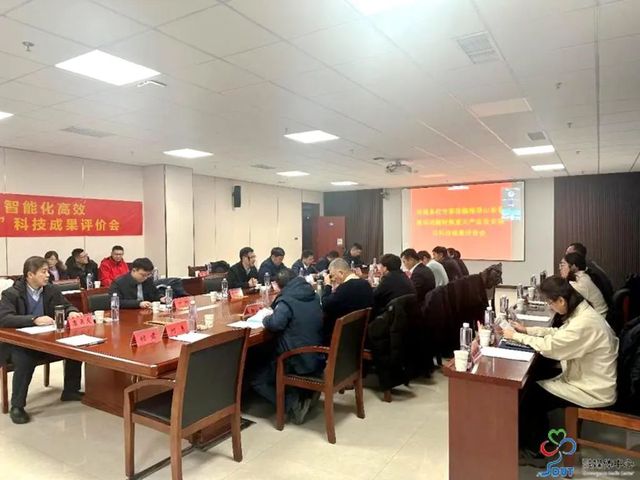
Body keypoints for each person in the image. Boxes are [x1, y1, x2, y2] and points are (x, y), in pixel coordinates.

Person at [497, 276, 618, 455]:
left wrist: (515, 336)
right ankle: (535, 438)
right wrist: (527, 330)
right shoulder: (582, 312)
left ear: (561, 300)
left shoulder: (585, 323)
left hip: (593, 389)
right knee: (537, 376)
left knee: (531, 396)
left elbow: (551, 347)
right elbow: (560, 333)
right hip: (589, 378)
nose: (550, 307)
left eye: (550, 303)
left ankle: (536, 450)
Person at [0, 256, 84, 424]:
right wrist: (34, 319)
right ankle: (17, 406)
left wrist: (72, 312)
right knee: (25, 360)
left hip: (46, 339)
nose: (48, 275)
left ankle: (70, 390)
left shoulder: (51, 290)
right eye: (43, 272)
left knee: (76, 346)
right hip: (18, 343)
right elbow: (4, 318)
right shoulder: (11, 293)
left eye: (47, 271)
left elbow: (66, 305)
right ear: (30, 275)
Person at [251, 269, 324, 424]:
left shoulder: (286, 300)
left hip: (297, 358)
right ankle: (306, 394)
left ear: (278, 286)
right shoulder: (313, 295)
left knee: (257, 379)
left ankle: (293, 404)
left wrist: (265, 319)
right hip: (316, 355)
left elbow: (275, 324)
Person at [321, 258, 374, 343]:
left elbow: (325, 304)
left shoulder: (345, 288)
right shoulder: (366, 284)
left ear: (341, 273)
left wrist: (328, 285)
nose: (332, 279)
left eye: (332, 276)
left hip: (341, 338)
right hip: (361, 335)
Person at [559, 252, 608, 317]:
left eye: (562, 265)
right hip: (598, 314)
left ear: (573, 267)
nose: (560, 268)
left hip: (598, 316)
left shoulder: (580, 281)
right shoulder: (583, 276)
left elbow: (563, 302)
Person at [373, 254, 416, 318]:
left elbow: (374, 295)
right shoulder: (403, 275)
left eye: (380, 266)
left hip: (389, 315)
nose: (379, 268)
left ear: (385, 268)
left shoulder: (388, 278)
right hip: (406, 315)